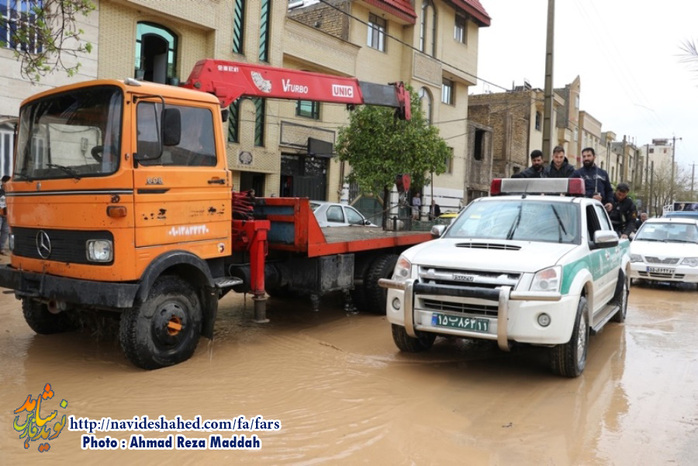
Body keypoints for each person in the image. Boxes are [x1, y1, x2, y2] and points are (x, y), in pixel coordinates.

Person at [0, 175, 9, 255]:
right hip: (0, 214)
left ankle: (1, 248)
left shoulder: (10, 193)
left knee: (5, 231)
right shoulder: (0, 192)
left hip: (7, 215)